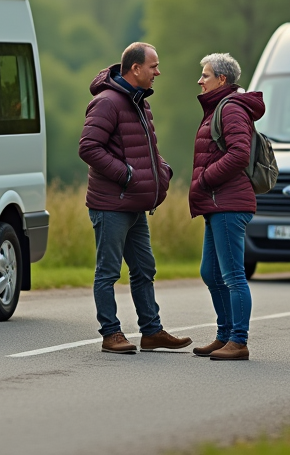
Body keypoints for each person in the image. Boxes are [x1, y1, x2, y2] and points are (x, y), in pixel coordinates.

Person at [79, 42, 192, 355]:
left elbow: (144, 149)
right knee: (108, 272)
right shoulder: (107, 102)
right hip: (111, 205)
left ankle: (152, 332)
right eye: (153, 66)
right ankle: (111, 334)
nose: (158, 72)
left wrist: (162, 170)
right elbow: (88, 147)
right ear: (135, 68)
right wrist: (126, 175)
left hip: (134, 204)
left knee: (144, 269)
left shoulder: (139, 102)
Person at [189, 52, 264, 361]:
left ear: (222, 79)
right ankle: (224, 335)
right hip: (217, 202)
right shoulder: (218, 108)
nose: (200, 80)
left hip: (228, 203)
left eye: (205, 75)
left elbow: (239, 154)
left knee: (233, 274)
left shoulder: (230, 108)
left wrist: (206, 179)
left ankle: (238, 340)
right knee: (210, 272)